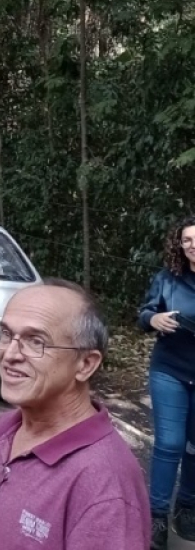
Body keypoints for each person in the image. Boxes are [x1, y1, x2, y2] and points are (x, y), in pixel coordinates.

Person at [0, 281, 150, 550]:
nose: (9, 354)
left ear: (86, 364)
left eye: (36, 341)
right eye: (6, 334)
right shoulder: (8, 427)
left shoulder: (105, 484)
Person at [140, 215, 195, 547]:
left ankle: (186, 508)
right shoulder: (168, 278)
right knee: (170, 443)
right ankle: (156, 515)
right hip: (170, 370)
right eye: (187, 240)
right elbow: (144, 315)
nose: (193, 246)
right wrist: (154, 318)